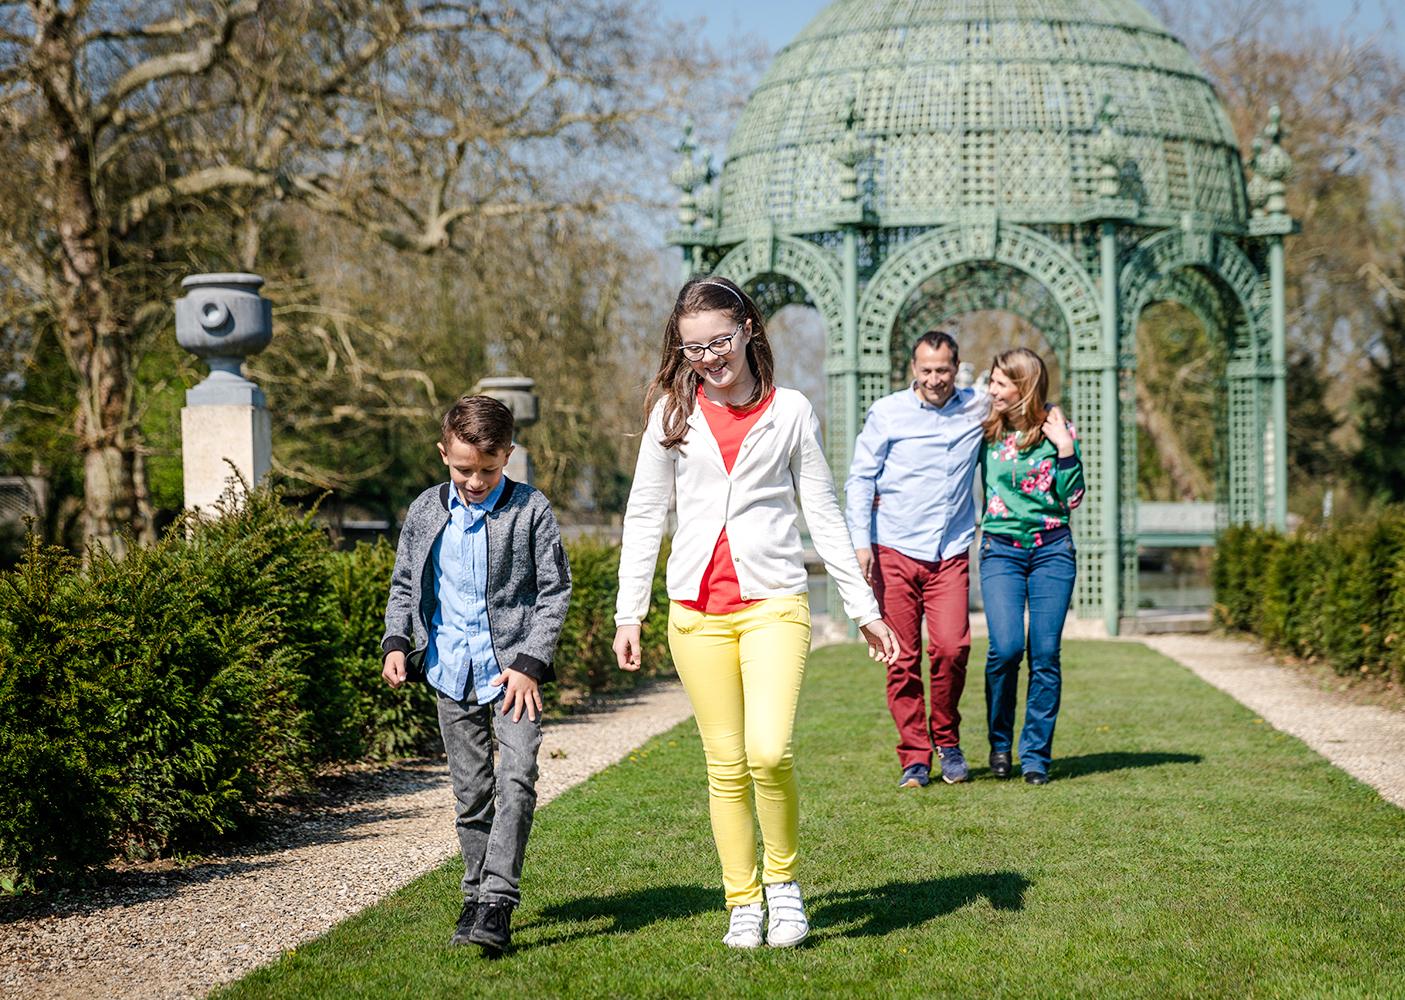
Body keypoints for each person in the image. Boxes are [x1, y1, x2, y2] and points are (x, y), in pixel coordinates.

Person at [612, 276, 900, 950]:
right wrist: (631, 613)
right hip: (695, 614)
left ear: (747, 329)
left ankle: (784, 886)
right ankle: (742, 900)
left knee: (768, 752)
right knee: (725, 764)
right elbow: (645, 515)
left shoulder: (792, 410)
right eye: (692, 349)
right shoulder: (669, 418)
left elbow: (822, 515)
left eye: (717, 341)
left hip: (774, 603)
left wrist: (864, 608)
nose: (708, 357)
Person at [380, 396, 572, 955]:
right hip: (448, 670)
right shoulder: (423, 511)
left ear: (507, 455)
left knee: (516, 780)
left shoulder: (530, 509)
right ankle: (473, 892)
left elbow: (554, 591)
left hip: (515, 676)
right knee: (471, 794)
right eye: (464, 468)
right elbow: (403, 585)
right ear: (444, 454)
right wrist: (397, 642)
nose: (476, 480)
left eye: (489, 469)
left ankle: (497, 901)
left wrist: (530, 663)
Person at [845, 331, 986, 788]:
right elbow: (861, 479)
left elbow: (1022, 402)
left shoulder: (978, 408)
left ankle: (947, 741)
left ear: (956, 367)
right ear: (912, 369)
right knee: (900, 658)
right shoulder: (887, 413)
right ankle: (914, 758)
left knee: (951, 648)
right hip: (894, 549)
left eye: (942, 370)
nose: (934, 379)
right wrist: (860, 543)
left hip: (950, 551)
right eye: (925, 370)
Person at [978, 348, 1086, 786]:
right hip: (1000, 550)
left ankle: (1036, 754)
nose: (991, 390)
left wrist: (1065, 449)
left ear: (1023, 386)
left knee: (1045, 654)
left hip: (1052, 552)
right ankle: (1000, 744)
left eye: (1000, 383)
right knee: (1005, 649)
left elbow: (1073, 499)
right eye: (991, 381)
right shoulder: (985, 429)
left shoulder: (1058, 430)